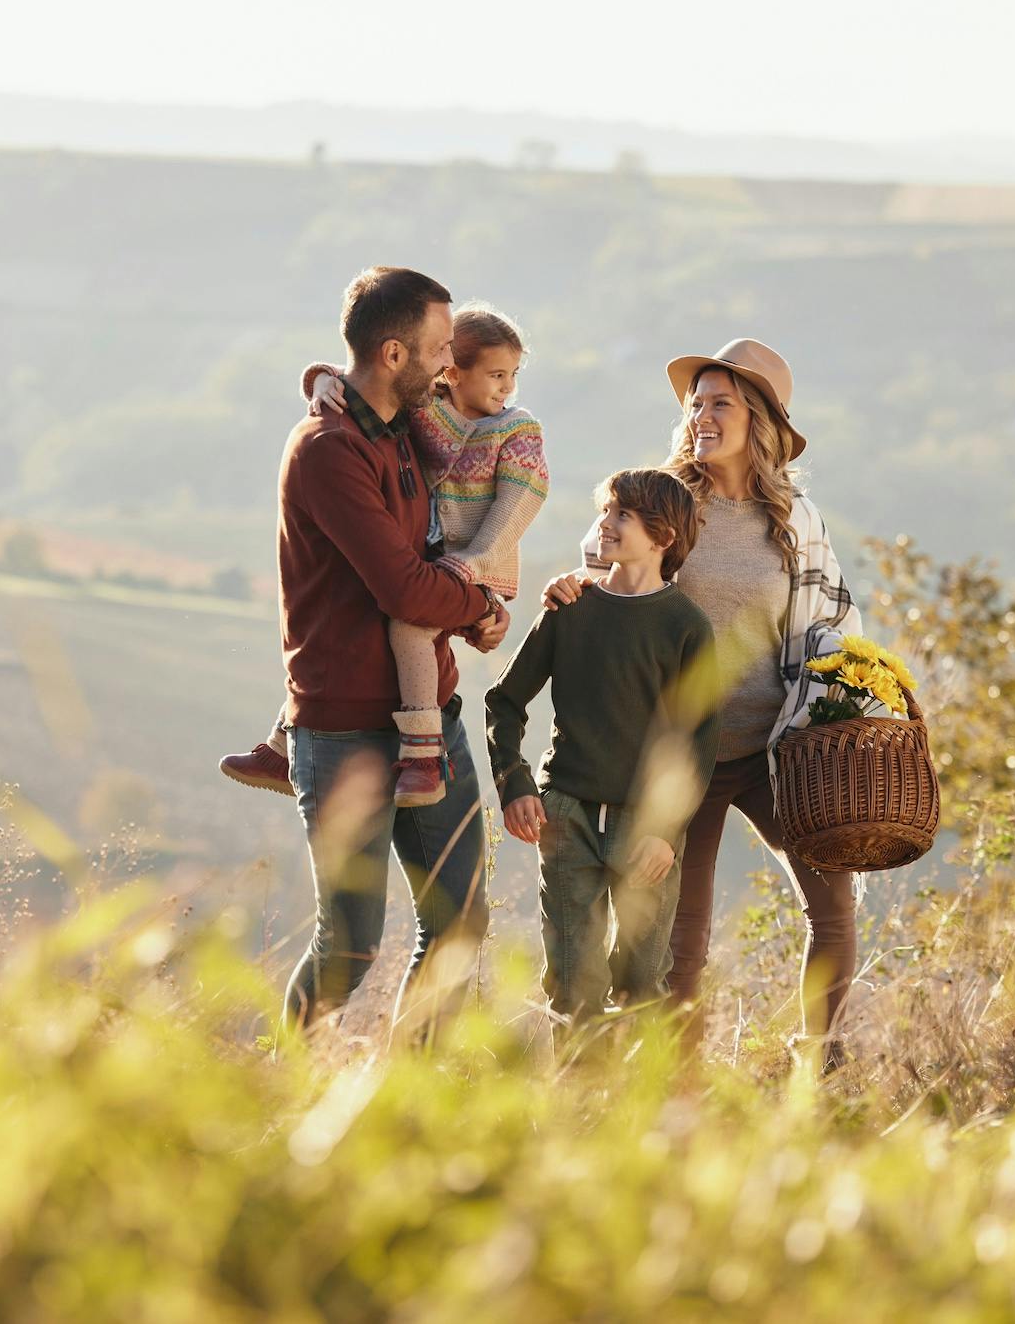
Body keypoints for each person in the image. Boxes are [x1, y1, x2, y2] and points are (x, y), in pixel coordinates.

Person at [543, 339, 863, 1064]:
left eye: (720, 403)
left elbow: (834, 627)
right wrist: (573, 585)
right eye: (696, 403)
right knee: (679, 947)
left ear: (759, 419)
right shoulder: (665, 502)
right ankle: (676, 1088)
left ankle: (821, 1062)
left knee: (834, 906)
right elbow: (603, 569)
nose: (702, 416)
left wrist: (843, 706)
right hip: (678, 761)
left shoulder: (796, 520)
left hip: (772, 752)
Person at [265, 266, 511, 1032]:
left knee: (461, 923)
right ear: (395, 353)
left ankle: (410, 1095)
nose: (451, 365)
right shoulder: (327, 451)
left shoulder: (404, 427)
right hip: (343, 732)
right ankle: (291, 1082)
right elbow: (403, 588)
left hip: (430, 711)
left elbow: (432, 542)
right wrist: (474, 602)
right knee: (351, 949)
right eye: (441, 348)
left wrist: (471, 613)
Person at [220, 304, 549, 807]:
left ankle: (421, 754)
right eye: (496, 375)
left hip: (476, 560)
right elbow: (374, 387)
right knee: (350, 606)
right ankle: (284, 744)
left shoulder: (515, 429)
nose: (507, 388)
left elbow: (519, 505)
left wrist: (472, 567)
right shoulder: (428, 408)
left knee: (408, 624)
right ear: (452, 372)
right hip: (430, 553)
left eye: (513, 376)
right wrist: (320, 380)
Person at [486, 468, 720, 1025]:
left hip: (648, 828)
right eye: (605, 511)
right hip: (567, 814)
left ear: (662, 538)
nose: (605, 524)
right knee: (573, 981)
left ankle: (634, 1109)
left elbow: (700, 742)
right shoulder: (570, 608)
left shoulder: (687, 627)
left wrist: (666, 834)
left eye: (623, 515)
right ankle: (578, 1106)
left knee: (642, 983)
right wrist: (515, 785)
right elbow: (505, 701)